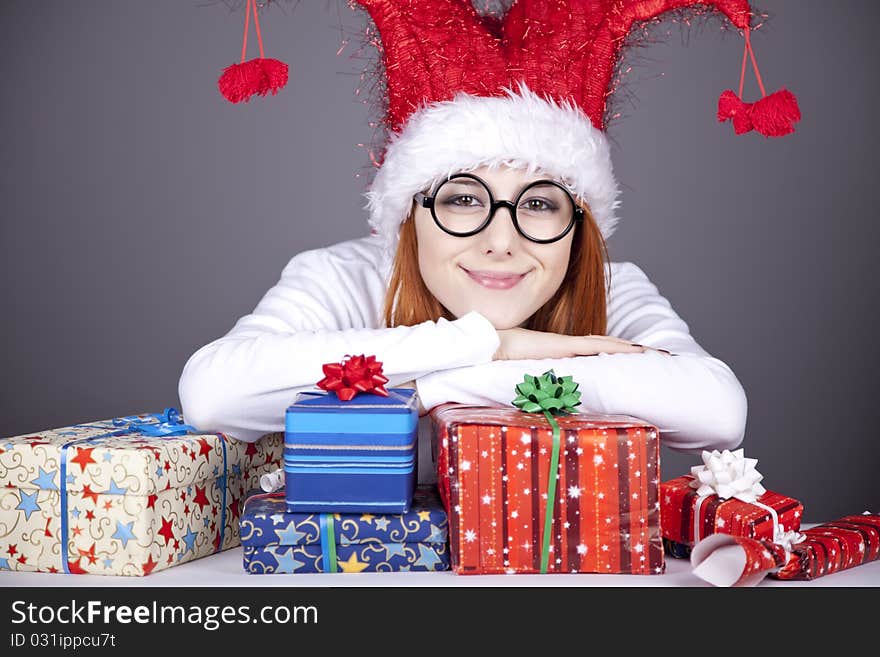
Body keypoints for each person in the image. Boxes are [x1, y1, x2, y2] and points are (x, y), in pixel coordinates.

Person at [179, 0, 753, 459]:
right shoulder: (340, 277)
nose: (502, 241)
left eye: (539, 205)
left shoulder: (611, 286)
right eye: (460, 199)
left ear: (579, 223)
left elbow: (716, 412)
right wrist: (490, 343)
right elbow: (214, 393)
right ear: (410, 211)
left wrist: (446, 379)